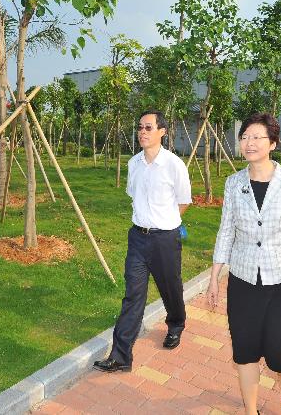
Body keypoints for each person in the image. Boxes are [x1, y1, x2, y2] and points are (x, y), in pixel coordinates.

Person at [207, 112, 281, 415]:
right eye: (244, 137)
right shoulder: (233, 183)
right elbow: (226, 231)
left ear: (273, 143)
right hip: (242, 280)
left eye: (257, 137)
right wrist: (215, 277)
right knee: (245, 350)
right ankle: (250, 411)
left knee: (278, 352)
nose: (249, 143)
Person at [94, 110, 192, 373]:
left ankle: (176, 324)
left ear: (162, 132)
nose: (142, 132)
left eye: (148, 127)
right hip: (138, 238)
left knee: (170, 287)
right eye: (140, 127)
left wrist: (166, 222)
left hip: (165, 239)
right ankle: (121, 355)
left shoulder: (174, 165)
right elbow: (132, 195)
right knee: (133, 296)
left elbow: (184, 201)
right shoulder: (133, 164)